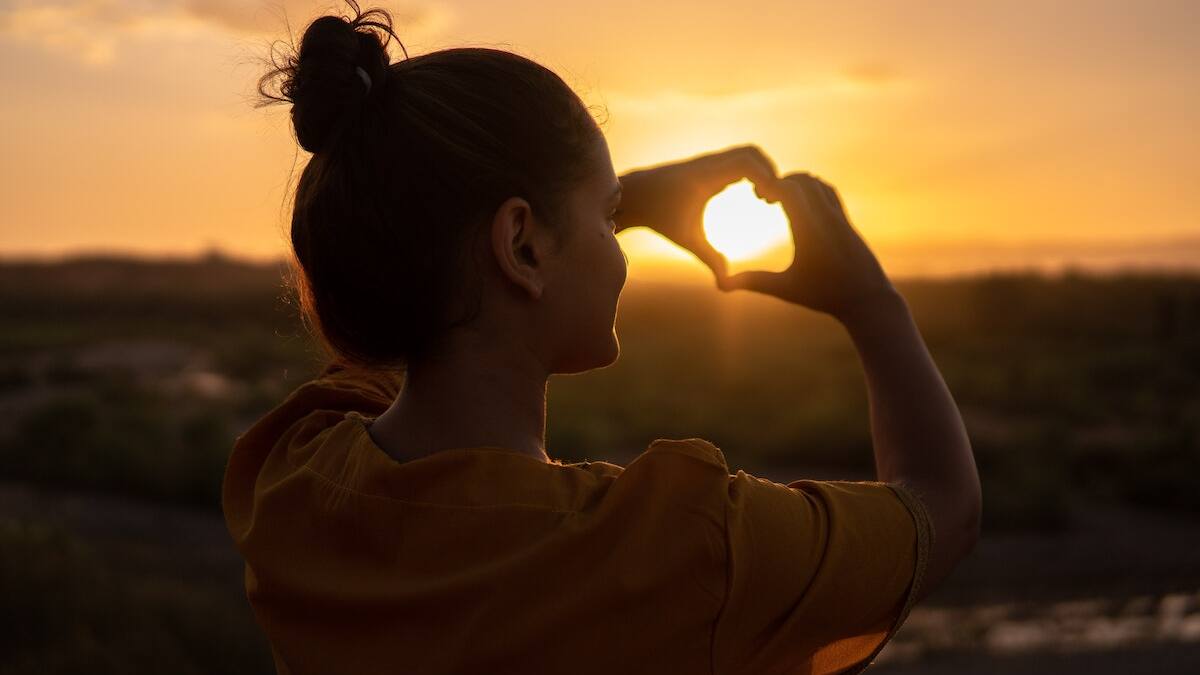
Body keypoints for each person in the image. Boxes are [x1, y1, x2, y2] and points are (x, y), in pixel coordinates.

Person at [221, 2, 982, 673]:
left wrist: (597, 205)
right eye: (608, 216)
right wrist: (871, 302)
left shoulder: (293, 477)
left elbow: (414, 288)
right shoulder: (681, 548)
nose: (619, 243)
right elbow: (941, 505)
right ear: (521, 246)